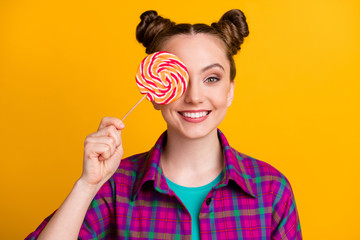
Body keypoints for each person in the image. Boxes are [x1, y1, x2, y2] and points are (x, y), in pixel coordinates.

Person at [26, 9, 302, 240]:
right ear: (155, 92)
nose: (194, 97)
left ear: (230, 90)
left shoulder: (271, 190)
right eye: (177, 78)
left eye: (212, 78)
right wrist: (87, 185)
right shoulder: (114, 187)